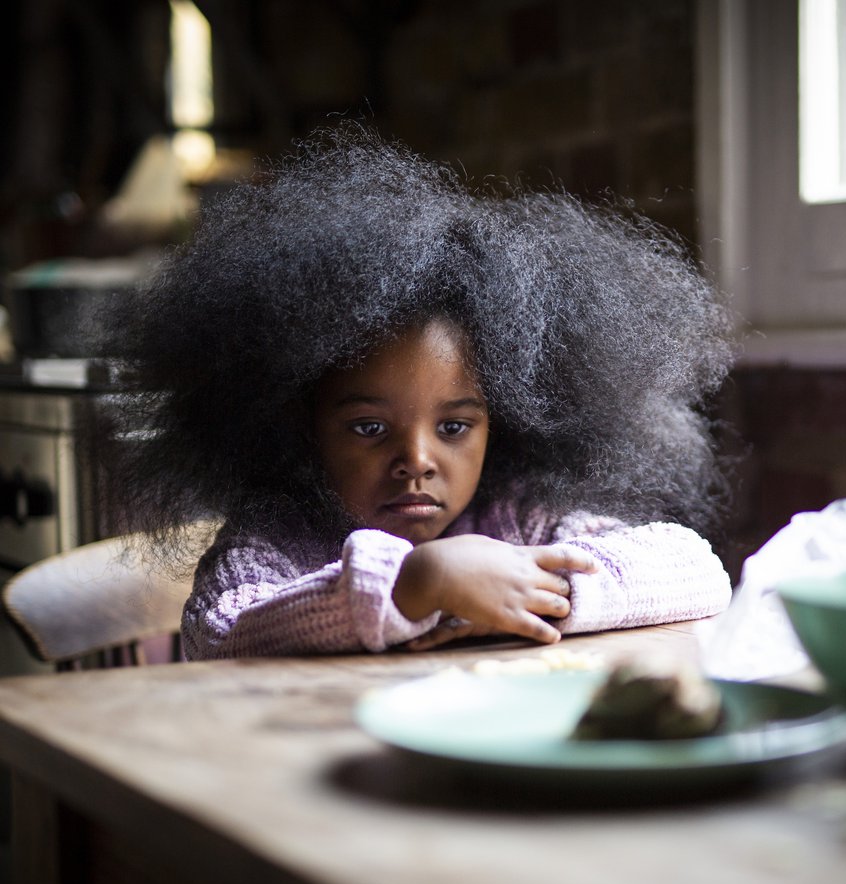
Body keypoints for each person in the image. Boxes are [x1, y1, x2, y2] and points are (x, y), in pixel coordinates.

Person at [96, 125, 738, 659]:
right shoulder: (277, 537)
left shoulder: (518, 515)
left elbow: (696, 571)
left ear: (504, 420)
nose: (419, 459)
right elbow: (223, 632)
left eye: (454, 427)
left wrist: (545, 592)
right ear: (296, 422)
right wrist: (413, 585)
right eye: (370, 428)